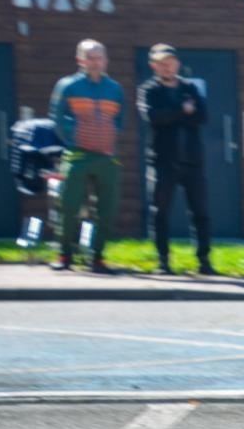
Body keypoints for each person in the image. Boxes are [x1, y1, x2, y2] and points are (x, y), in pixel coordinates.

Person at [137, 44, 215, 275]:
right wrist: (182, 111)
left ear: (177, 63)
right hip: (163, 161)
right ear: (153, 66)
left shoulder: (190, 87)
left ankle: (204, 261)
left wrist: (176, 114)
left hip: (192, 161)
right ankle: (163, 261)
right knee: (160, 212)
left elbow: (202, 116)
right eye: (161, 63)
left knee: (200, 212)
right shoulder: (149, 90)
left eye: (170, 62)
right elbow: (154, 117)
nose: (167, 67)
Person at [49, 39, 125, 273]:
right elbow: (57, 118)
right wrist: (75, 137)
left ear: (106, 60)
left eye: (99, 57)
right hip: (77, 156)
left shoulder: (115, 88)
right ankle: (64, 255)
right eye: (90, 57)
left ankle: (97, 257)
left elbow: (120, 120)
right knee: (69, 205)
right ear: (80, 60)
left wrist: (109, 135)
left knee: (107, 208)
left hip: (105, 157)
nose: (95, 62)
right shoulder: (67, 86)